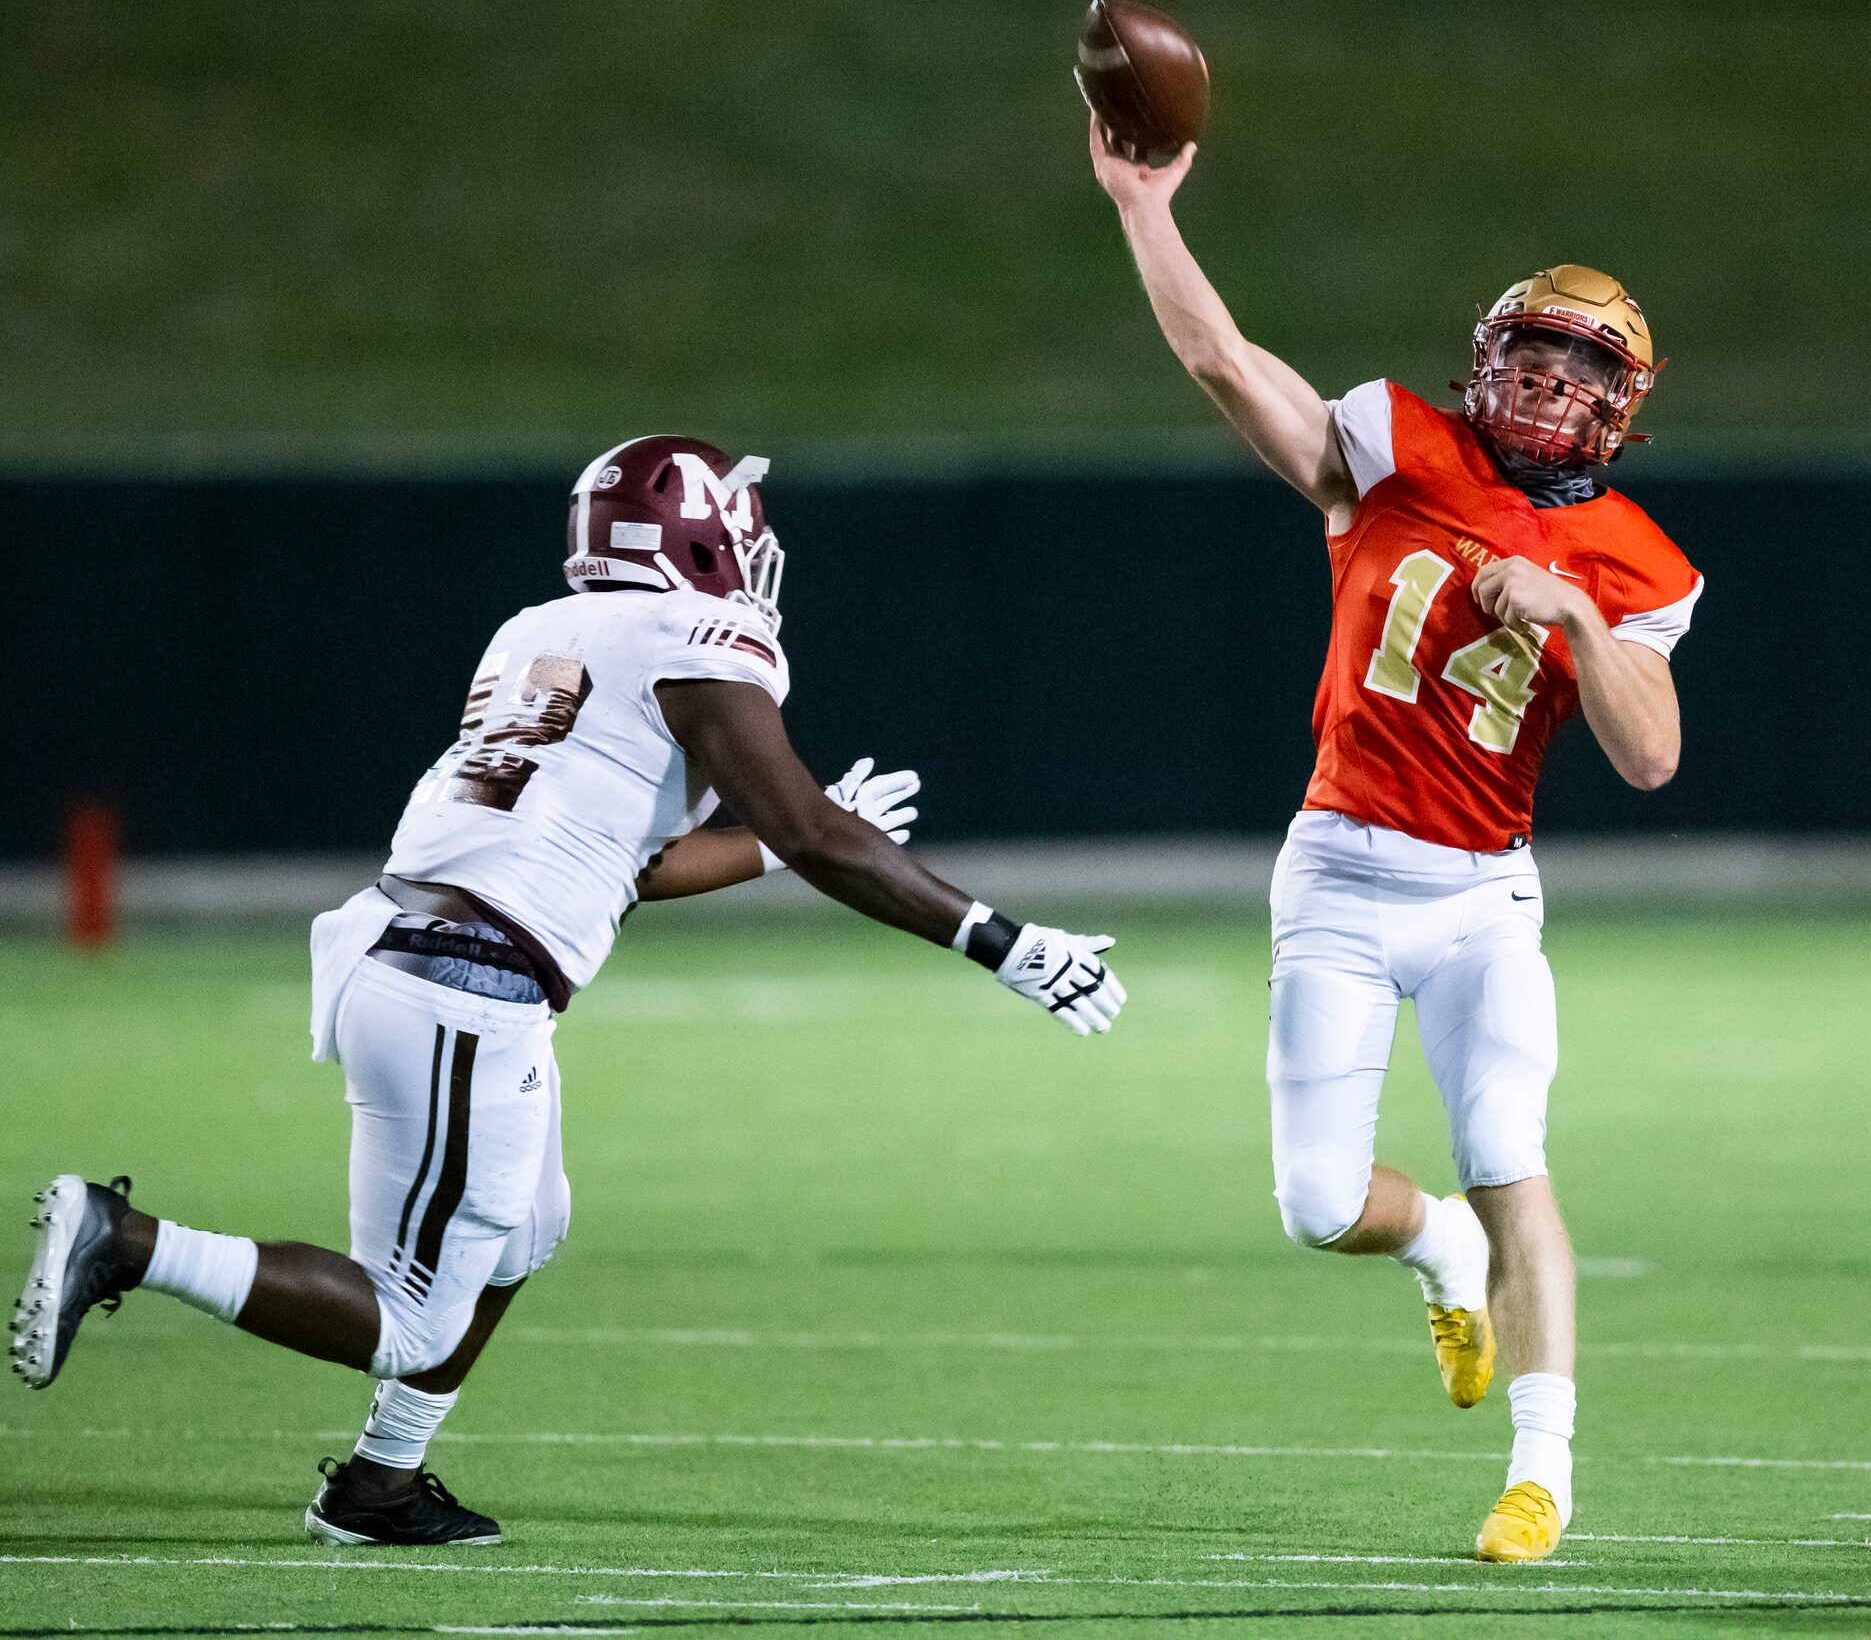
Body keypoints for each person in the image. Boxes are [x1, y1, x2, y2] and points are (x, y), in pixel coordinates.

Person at [12, 434, 1126, 1547]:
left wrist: (789, 846)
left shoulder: (540, 631)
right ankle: (130, 1239)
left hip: (422, 958)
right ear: (694, 533)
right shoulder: (700, 635)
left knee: (523, 1234)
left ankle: (379, 1488)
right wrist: (1004, 944)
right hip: (466, 989)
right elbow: (812, 832)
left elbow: (632, 866)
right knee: (405, 1320)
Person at [1090, 118, 1701, 1563]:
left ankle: (1538, 1474)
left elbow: (1650, 749)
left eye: (1580, 373)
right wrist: (1141, 205)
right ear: (1486, 362)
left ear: (1619, 405)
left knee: (1512, 1150)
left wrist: (1565, 612)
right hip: (1337, 867)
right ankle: (1438, 1246)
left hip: (1483, 895)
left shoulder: (1634, 558)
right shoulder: (1387, 448)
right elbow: (1221, 361)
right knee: (1314, 1204)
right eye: (1532, 361)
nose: (1549, 388)